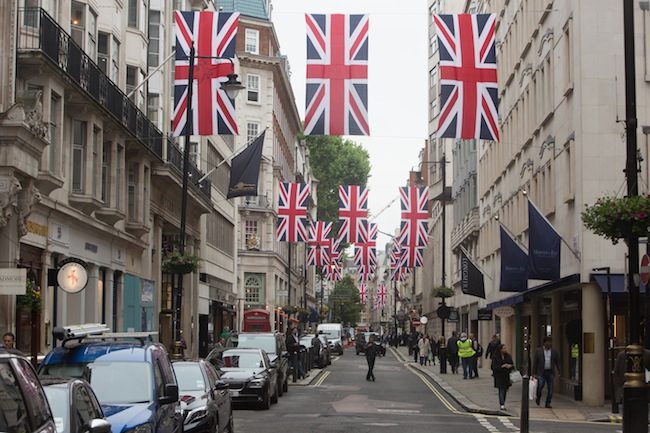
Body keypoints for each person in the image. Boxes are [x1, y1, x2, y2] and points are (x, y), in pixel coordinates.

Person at [532, 336, 561, 408]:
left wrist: (559, 371)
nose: (549, 344)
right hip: (541, 372)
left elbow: (557, 362)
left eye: (550, 342)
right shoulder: (539, 351)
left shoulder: (554, 351)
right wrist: (534, 373)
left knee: (550, 389)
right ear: (544, 343)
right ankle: (538, 397)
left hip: (550, 372)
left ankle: (548, 403)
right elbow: (535, 362)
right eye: (548, 342)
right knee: (540, 386)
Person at [491, 344, 515, 410]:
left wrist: (509, 366)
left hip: (506, 376)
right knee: (501, 390)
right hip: (499, 376)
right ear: (500, 349)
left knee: (505, 390)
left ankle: (503, 402)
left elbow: (512, 365)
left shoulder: (508, 356)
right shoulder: (495, 357)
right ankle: (502, 404)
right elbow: (493, 367)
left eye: (505, 348)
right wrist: (502, 366)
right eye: (504, 348)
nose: (505, 349)